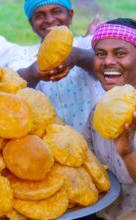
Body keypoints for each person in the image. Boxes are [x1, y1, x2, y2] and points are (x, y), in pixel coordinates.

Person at [9, 0, 105, 132]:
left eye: (56, 11)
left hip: (98, 139)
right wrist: (34, 71)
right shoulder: (24, 54)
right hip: (51, 144)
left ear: (70, 15)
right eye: (40, 15)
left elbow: (107, 64)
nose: (49, 20)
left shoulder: (86, 44)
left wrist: (76, 56)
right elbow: (13, 81)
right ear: (31, 24)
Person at [83, 18, 136, 220]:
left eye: (120, 53)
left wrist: (128, 152)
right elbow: (84, 158)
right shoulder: (100, 109)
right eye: (100, 54)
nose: (108, 61)